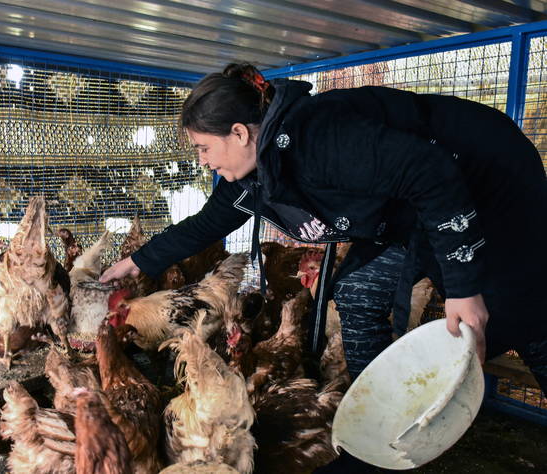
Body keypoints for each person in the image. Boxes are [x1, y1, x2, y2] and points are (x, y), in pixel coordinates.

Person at [100, 63, 547, 396]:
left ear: (239, 133)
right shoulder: (256, 172)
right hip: (417, 209)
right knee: (356, 292)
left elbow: (431, 173)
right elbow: (209, 223)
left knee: (521, 315)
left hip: (488, 183)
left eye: (203, 147)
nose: (201, 160)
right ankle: (380, 414)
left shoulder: (318, 137)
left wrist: (464, 287)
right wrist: (135, 262)